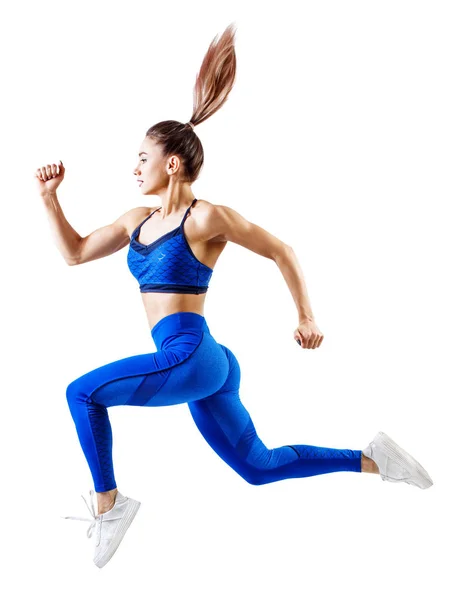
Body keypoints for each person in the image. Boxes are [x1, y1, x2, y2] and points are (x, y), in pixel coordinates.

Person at [35, 23, 433, 569]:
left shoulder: (206, 219)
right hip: (208, 362)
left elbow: (282, 250)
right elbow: (75, 253)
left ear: (171, 164)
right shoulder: (137, 219)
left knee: (81, 393)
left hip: (191, 356)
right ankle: (375, 459)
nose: (135, 167)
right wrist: (50, 199)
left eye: (142, 158)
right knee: (259, 467)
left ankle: (110, 503)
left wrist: (306, 316)